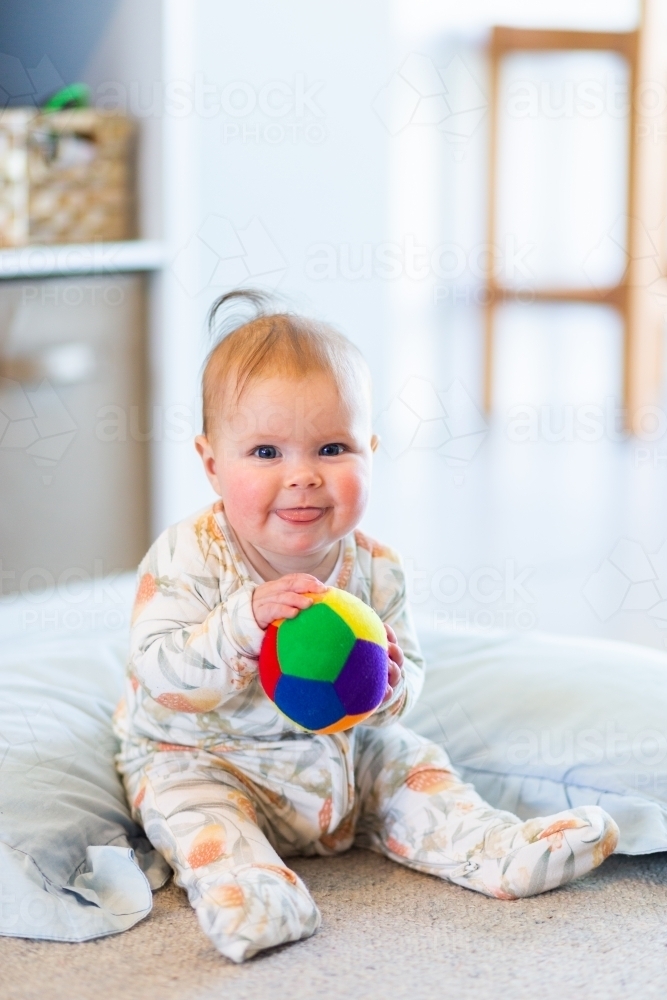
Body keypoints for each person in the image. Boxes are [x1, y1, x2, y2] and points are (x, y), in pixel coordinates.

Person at [114, 290, 618, 963]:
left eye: (331, 448)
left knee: (412, 763)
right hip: (208, 757)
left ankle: (493, 849)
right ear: (212, 463)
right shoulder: (187, 556)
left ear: (371, 452)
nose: (301, 477)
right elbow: (158, 671)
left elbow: (407, 669)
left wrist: (384, 688)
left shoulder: (375, 567)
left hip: (345, 758)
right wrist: (240, 625)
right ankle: (251, 893)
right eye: (265, 452)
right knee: (195, 815)